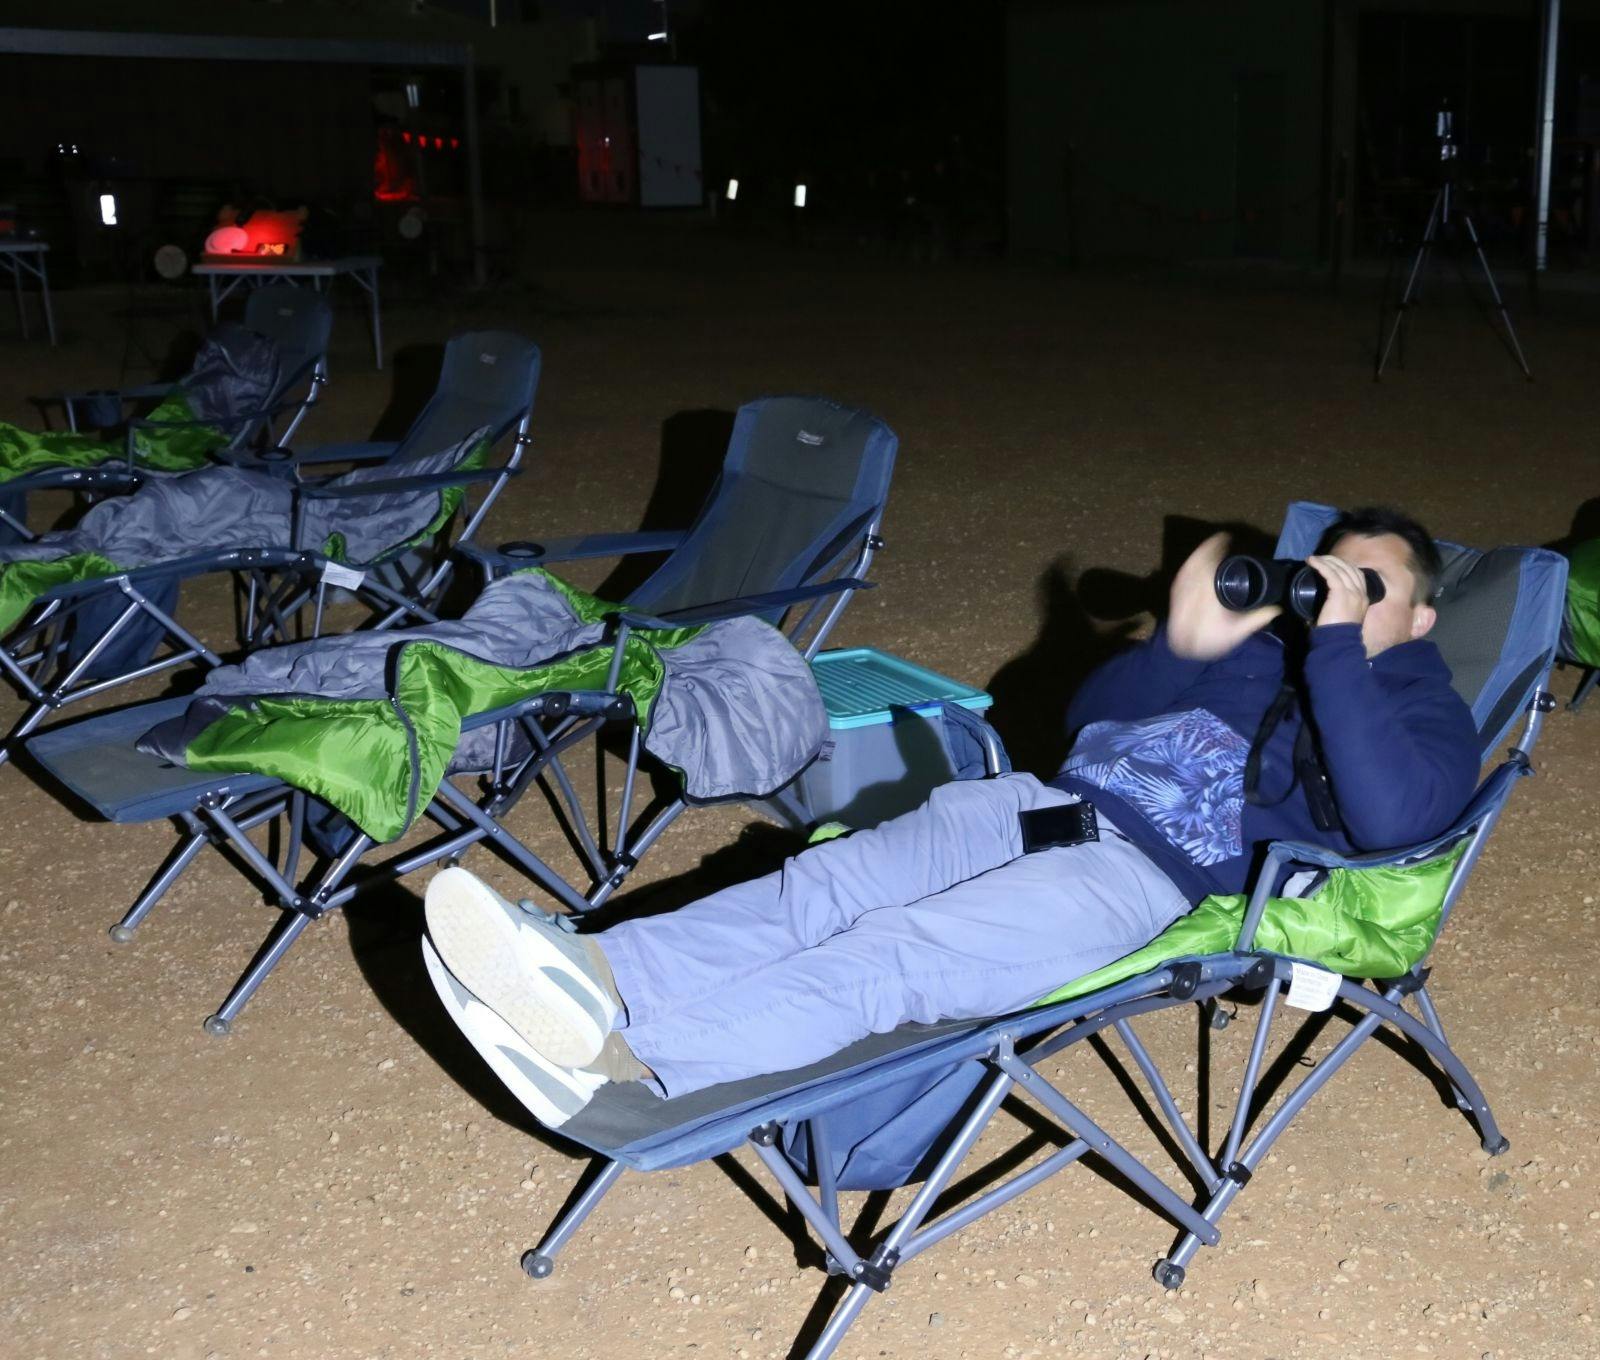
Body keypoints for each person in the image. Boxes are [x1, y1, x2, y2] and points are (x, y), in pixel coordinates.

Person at [420, 508, 1481, 1126]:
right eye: (1325, 575)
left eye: (1367, 584)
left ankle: (628, 1066)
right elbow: (1083, 724)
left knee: (896, 956)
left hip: (1144, 880)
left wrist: (1341, 645)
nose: (1329, 597)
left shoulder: (1420, 703)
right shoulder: (1262, 647)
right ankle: (594, 978)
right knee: (822, 885)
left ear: (1419, 615)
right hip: (1041, 803)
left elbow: (1395, 818)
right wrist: (1175, 648)